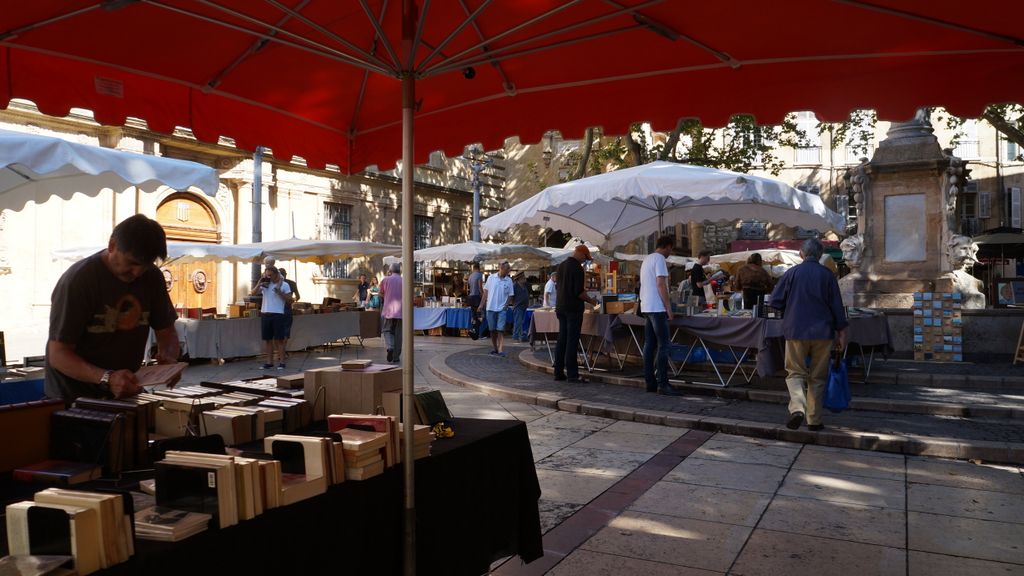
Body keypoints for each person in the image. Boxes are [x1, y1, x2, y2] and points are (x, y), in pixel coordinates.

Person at [45, 214, 180, 404]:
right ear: (112, 245)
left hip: (125, 390)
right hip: (73, 395)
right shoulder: (79, 280)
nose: (137, 273)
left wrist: (170, 358)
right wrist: (107, 378)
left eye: (146, 265)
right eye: (132, 263)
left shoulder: (152, 277)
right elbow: (58, 355)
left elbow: (166, 331)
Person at [769, 238, 848, 432]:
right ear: (820, 255)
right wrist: (842, 332)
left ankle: (797, 408)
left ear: (801, 254)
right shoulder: (828, 275)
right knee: (818, 377)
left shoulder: (791, 273)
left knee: (795, 372)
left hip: (796, 330)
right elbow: (837, 306)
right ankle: (814, 420)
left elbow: (775, 301)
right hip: (823, 331)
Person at [640, 235, 681, 395]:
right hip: (657, 307)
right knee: (664, 345)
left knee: (649, 345)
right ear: (667, 246)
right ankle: (663, 383)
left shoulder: (647, 259)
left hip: (646, 306)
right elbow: (660, 284)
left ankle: (650, 382)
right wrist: (668, 307)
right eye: (671, 248)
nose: (671, 252)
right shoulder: (660, 260)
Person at [554, 245, 597, 383]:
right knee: (572, 341)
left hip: (561, 307)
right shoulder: (577, 268)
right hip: (573, 308)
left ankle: (558, 372)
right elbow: (579, 292)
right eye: (585, 257)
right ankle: (572, 374)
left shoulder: (561, 266)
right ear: (579, 253)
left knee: (562, 340)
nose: (585, 261)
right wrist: (592, 301)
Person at [251, 266, 292, 369]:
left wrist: (279, 292)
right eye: (267, 275)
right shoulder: (265, 284)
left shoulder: (285, 285)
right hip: (265, 313)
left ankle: (282, 362)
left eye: (270, 275)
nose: (269, 277)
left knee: (279, 340)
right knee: (267, 340)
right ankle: (269, 362)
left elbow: (290, 300)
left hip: (278, 314)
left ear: (276, 274)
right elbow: (253, 293)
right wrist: (260, 281)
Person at [479, 262, 515, 356]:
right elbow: (485, 292)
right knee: (492, 330)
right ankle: (495, 348)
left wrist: (506, 306)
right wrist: (481, 305)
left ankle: (500, 349)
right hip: (490, 308)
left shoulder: (509, 280)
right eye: (508, 269)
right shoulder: (491, 278)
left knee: (500, 329)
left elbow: (511, 295)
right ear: (501, 268)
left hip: (502, 309)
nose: (509, 271)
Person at [379, 262, 403, 363]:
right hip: (401, 312)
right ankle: (396, 356)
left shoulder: (385, 280)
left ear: (390, 270)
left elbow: (381, 293)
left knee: (386, 330)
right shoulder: (404, 281)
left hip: (388, 310)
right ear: (400, 270)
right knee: (398, 333)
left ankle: (390, 347)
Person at [278, 267, 300, 356]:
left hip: (277, 310)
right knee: (286, 332)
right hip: (287, 309)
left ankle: (280, 353)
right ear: (286, 274)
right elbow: (298, 297)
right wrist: (292, 299)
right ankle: (283, 351)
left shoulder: (275, 284)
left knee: (278, 332)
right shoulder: (292, 283)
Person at [511, 273, 530, 343]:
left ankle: (523, 336)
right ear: (519, 279)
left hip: (524, 306)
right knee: (518, 322)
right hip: (518, 306)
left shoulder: (524, 286)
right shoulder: (515, 286)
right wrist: (514, 304)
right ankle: (516, 337)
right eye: (523, 277)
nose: (525, 278)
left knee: (523, 322)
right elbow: (511, 296)